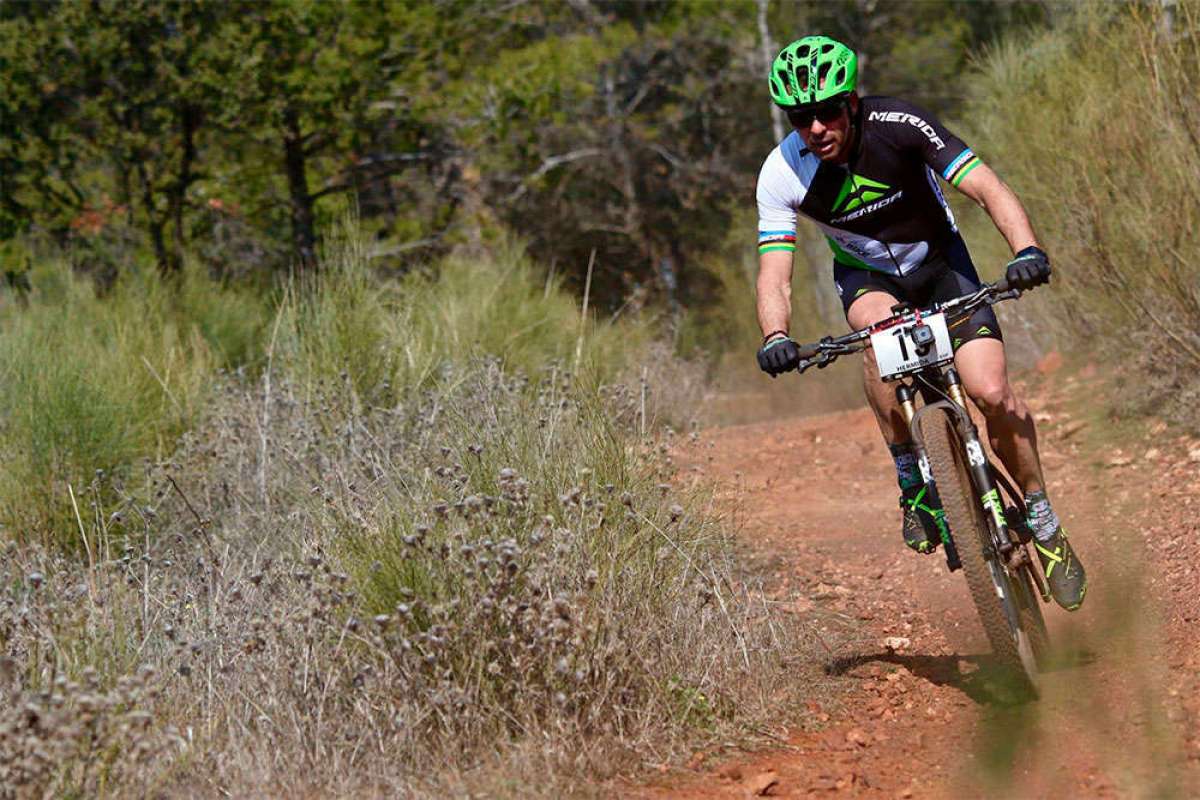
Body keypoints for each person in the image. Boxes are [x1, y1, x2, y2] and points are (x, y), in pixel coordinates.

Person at [753, 35, 1085, 611]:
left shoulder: (901, 123)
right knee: (876, 341)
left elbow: (985, 185)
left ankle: (1044, 520)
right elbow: (774, 271)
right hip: (867, 279)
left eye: (828, 111)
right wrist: (776, 336)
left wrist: (1026, 249)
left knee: (991, 392)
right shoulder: (782, 171)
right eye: (800, 117)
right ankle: (912, 478)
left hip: (941, 265)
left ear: (852, 103)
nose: (815, 129)